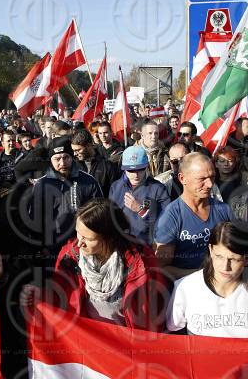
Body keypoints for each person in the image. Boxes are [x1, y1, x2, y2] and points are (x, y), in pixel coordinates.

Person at [20, 198, 165, 331]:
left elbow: (155, 314)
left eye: (88, 238)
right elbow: (62, 299)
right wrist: (40, 295)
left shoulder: (141, 263)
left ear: (110, 238)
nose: (80, 242)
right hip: (89, 348)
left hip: (128, 349)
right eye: (78, 233)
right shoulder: (70, 257)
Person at [154, 153, 234, 280]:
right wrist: (202, 275)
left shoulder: (223, 210)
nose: (209, 184)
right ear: (182, 178)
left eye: (212, 177)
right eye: (201, 179)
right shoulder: (170, 217)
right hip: (187, 293)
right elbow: (161, 268)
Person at [30, 137, 103, 266]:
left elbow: (99, 215)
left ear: (72, 157)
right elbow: (34, 219)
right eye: (57, 159)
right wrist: (42, 247)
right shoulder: (41, 185)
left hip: (83, 249)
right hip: (52, 251)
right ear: (50, 160)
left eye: (66, 157)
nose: (62, 163)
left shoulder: (88, 181)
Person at [109, 146, 170, 245]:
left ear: (146, 167)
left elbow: (166, 222)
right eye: (131, 170)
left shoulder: (158, 188)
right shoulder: (115, 187)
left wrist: (140, 210)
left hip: (147, 246)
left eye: (140, 169)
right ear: (124, 169)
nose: (136, 174)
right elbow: (111, 217)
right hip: (122, 244)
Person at [71, 130, 120, 197]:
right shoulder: (74, 166)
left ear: (88, 146)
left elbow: (116, 193)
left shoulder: (107, 166)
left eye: (78, 150)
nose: (75, 154)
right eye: (73, 150)